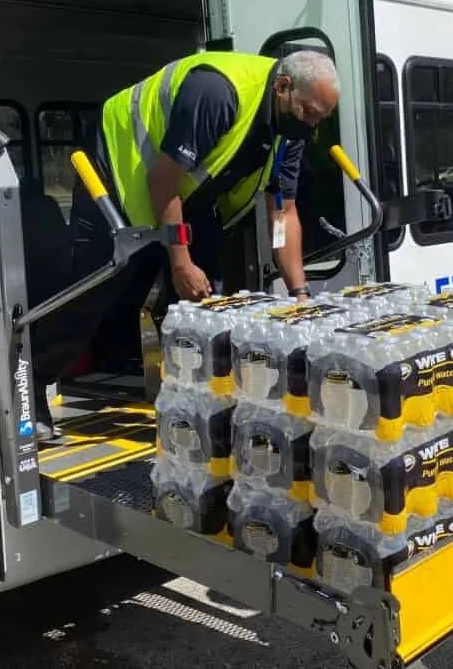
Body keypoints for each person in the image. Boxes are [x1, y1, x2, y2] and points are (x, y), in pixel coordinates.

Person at [29, 48, 340, 438]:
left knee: (207, 304)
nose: (312, 126)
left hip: (190, 199)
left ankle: (198, 408)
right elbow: (161, 177)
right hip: (120, 179)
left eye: (321, 119)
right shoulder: (218, 93)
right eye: (309, 112)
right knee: (100, 289)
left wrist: (300, 295)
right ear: (283, 87)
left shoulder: (290, 130)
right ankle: (34, 382)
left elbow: (283, 213)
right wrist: (179, 262)